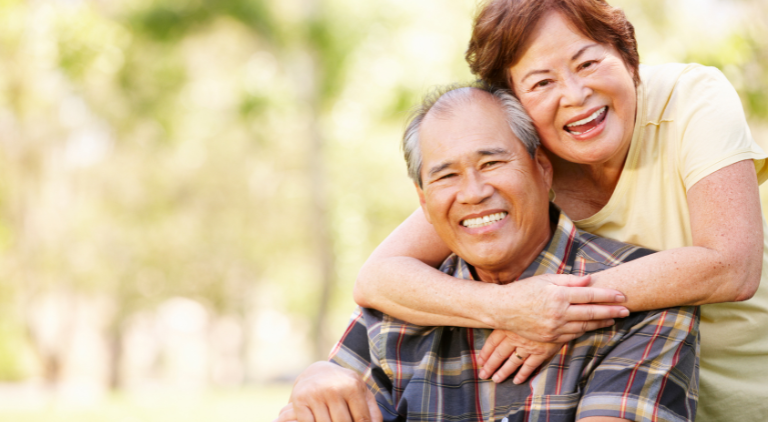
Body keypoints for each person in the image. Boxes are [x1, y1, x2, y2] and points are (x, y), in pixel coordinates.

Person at [353, 1, 768, 421]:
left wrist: (556, 311)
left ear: (628, 58)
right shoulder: (521, 168)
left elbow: (733, 265)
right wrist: (508, 307)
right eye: (540, 83)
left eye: (587, 63)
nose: (574, 95)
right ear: (511, 101)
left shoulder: (690, 99)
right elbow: (379, 278)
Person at [276, 85, 699, 422]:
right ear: (423, 202)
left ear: (543, 169)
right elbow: (327, 398)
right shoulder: (399, 308)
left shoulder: (645, 297)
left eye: (493, 164)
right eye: (446, 176)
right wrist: (318, 383)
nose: (474, 192)